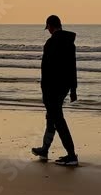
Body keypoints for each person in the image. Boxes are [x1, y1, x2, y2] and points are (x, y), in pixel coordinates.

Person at [32, 15, 79, 166]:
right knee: (52, 117)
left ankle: (71, 155)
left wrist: (44, 90)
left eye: (48, 28)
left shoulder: (51, 43)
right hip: (64, 87)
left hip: (52, 88)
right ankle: (45, 149)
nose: (48, 31)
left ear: (51, 26)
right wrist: (73, 90)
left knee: (58, 119)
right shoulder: (70, 43)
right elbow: (72, 68)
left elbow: (46, 69)